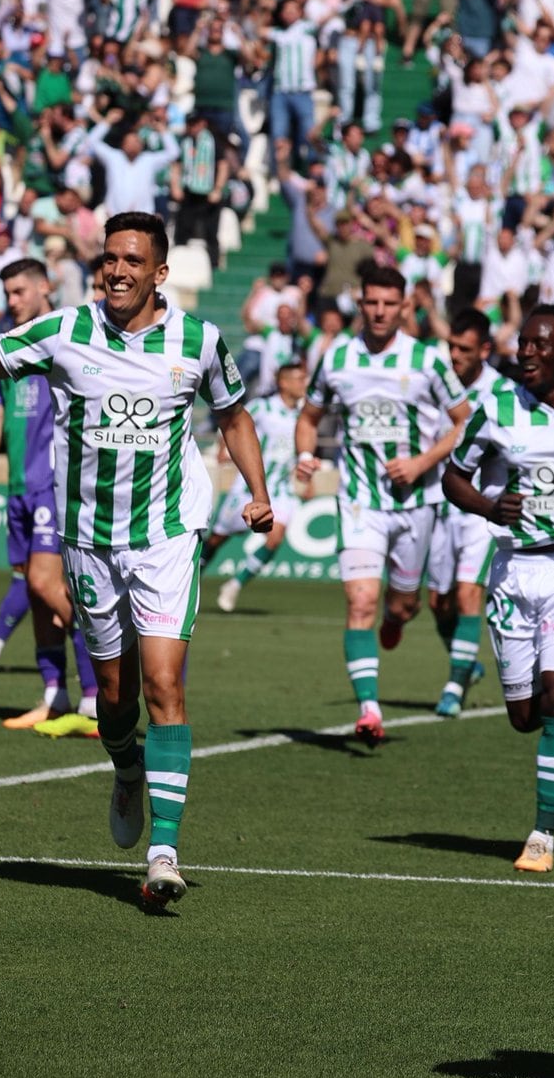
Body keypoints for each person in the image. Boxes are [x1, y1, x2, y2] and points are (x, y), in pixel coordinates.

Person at [0, 212, 273, 910]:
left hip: (165, 540)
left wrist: (258, 490)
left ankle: (164, 852)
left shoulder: (201, 340)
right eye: (109, 259)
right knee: (118, 702)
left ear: (160, 273)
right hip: (90, 543)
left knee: (165, 685)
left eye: (133, 261)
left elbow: (235, 416)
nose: (118, 271)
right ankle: (127, 770)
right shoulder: (66, 332)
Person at [443, 303, 554, 872]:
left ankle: (542, 836)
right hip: (512, 572)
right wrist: (489, 506)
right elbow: (453, 476)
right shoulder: (497, 407)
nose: (526, 353)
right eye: (524, 344)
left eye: (540, 345)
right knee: (524, 716)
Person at [294, 263, 470, 744]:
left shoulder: (428, 359)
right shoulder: (337, 358)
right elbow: (309, 416)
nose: (378, 311)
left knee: (404, 604)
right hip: (359, 502)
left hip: (416, 502)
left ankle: (397, 617)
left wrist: (422, 461)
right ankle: (370, 708)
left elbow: (463, 421)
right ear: (360, 302)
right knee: (361, 601)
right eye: (371, 302)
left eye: (389, 304)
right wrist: (306, 455)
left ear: (404, 307)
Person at [0, 258, 100, 735]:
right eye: (8, 293)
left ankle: (100, 689)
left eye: (19, 291)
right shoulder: (7, 351)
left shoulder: (65, 341)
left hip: (53, 485)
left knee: (43, 584)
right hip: (18, 488)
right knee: (39, 597)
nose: (12, 301)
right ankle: (55, 696)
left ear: (45, 288)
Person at [426, 309, 504, 717]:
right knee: (437, 602)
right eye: (452, 347)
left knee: (467, 592)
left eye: (464, 349)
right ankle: (465, 662)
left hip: (479, 508)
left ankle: (454, 686)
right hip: (440, 505)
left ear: (485, 351)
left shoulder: (501, 392)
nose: (455, 355)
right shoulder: (438, 383)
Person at [203, 358, 309, 612]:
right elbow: (234, 423)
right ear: (283, 383)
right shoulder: (263, 407)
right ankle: (189, 582)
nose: (303, 383)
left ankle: (235, 585)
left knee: (275, 538)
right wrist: (222, 448)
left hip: (281, 488)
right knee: (217, 539)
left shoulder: (304, 413)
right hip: (249, 487)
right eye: (298, 379)